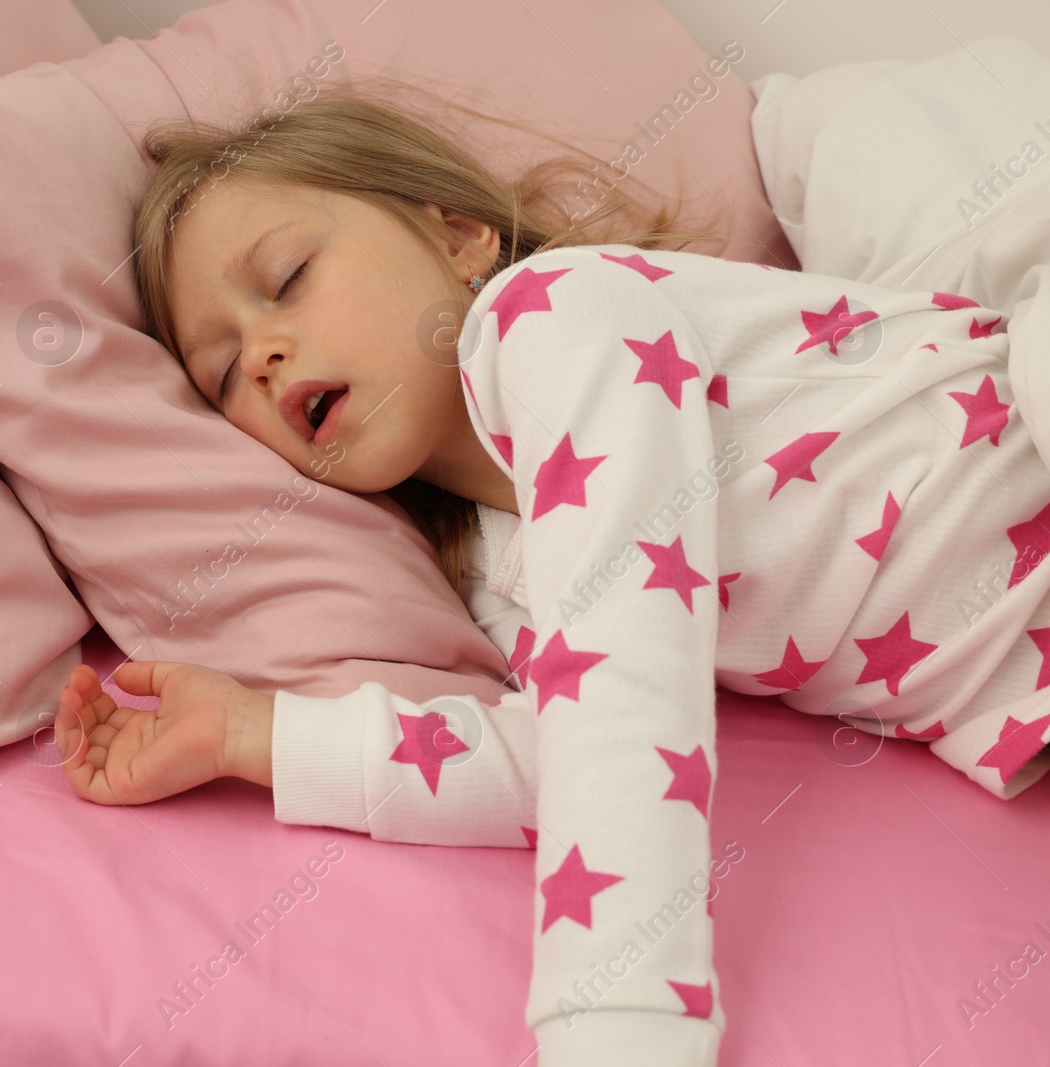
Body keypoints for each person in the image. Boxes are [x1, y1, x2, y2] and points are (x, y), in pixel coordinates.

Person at [51, 85, 1050, 1066]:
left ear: (458, 236)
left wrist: (615, 1021)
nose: (262, 355)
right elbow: (567, 754)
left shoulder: (560, 315)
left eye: (287, 276)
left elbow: (626, 678)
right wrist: (253, 731)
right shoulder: (494, 561)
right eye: (222, 375)